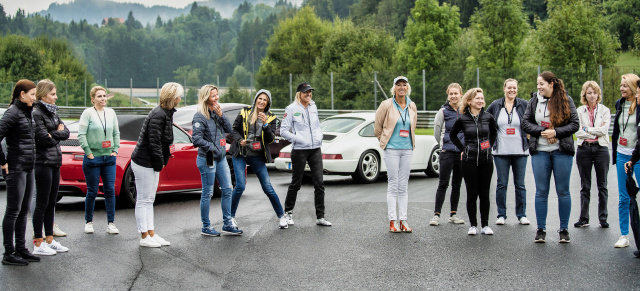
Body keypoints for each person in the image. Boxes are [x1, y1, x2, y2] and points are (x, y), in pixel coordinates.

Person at [522, 71, 579, 243]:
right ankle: (541, 230)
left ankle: (563, 229)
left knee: (563, 191)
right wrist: (544, 132)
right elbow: (525, 123)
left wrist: (556, 132)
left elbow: (575, 124)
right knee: (541, 192)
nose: (538, 87)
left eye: (541, 84)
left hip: (561, 151)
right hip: (540, 151)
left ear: (551, 84)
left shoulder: (566, 100)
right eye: (537, 84)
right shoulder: (533, 101)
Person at [130, 82, 183, 247]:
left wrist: (160, 162)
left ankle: (151, 233)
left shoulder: (166, 113)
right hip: (144, 161)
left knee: (150, 199)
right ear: (173, 98)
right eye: (178, 96)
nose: (180, 98)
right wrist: (160, 164)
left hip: (151, 162)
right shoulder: (159, 115)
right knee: (143, 199)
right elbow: (154, 143)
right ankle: (144, 236)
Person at [230, 89, 288, 229]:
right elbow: (234, 130)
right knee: (240, 186)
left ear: (268, 103)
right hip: (241, 153)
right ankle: (230, 217)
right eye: (260, 98)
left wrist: (266, 124)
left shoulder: (272, 117)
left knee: (267, 187)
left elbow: (271, 139)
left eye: (265, 100)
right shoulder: (245, 111)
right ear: (256, 99)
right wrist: (240, 140)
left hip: (257, 155)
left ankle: (281, 216)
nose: (262, 101)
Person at [192, 84, 242, 236]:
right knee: (207, 193)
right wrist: (212, 147)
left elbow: (229, 130)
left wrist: (222, 115)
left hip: (220, 159)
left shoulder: (216, 113)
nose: (217, 98)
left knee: (228, 189)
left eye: (217, 95)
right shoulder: (200, 116)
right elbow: (196, 139)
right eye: (213, 96)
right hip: (207, 158)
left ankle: (227, 223)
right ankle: (206, 226)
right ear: (206, 97)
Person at [280, 82, 332, 227]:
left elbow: (317, 126)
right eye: (305, 92)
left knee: (319, 183)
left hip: (315, 148)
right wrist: (298, 139)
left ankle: (320, 217)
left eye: (310, 92)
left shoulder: (313, 106)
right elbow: (283, 130)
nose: (308, 94)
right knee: (296, 183)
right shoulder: (291, 109)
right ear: (299, 94)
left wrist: (319, 136)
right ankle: (288, 213)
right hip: (299, 150)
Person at [0, 80, 40, 266]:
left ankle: (21, 249)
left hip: (28, 167)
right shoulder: (13, 113)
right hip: (16, 168)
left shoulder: (28, 112)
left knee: (24, 211)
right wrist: (3, 162)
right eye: (32, 94)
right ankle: (8, 253)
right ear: (21, 94)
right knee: (13, 211)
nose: (34, 97)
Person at [450, 88, 497, 236]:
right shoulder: (462, 118)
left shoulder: (488, 117)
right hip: (469, 161)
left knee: (484, 193)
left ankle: (485, 225)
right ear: (469, 101)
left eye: (482, 99)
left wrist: (489, 146)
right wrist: (463, 148)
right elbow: (453, 135)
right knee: (471, 193)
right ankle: (473, 225)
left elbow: (495, 133)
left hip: (486, 161)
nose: (481, 101)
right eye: (478, 99)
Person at [31, 79, 70, 256]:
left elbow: (66, 132)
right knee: (42, 202)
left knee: (51, 202)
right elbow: (42, 138)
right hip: (42, 162)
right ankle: (38, 243)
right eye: (53, 94)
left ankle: (49, 239)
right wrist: (56, 134)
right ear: (43, 95)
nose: (56, 97)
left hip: (55, 161)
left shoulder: (53, 113)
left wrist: (53, 133)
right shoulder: (37, 112)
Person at [374, 76, 417, 233]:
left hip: (407, 149)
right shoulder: (386, 105)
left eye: (404, 85)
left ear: (407, 88)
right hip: (391, 149)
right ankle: (393, 221)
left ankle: (403, 220)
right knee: (393, 184)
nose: (401, 87)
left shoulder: (412, 106)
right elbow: (377, 127)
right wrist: (384, 142)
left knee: (403, 185)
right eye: (398, 85)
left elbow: (413, 127)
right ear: (394, 88)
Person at [486, 79, 530, 226]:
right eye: (509, 87)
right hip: (501, 151)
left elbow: (531, 122)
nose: (512, 90)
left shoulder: (524, 104)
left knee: (520, 184)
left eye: (514, 88)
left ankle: (522, 214)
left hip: (520, 151)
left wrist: (530, 138)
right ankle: (501, 215)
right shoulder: (495, 105)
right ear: (504, 88)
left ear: (517, 89)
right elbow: (485, 121)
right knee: (501, 184)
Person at [78, 86, 120, 235]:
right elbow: (81, 135)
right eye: (100, 96)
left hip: (109, 157)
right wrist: (88, 153)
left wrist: (115, 150)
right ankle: (88, 221)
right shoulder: (88, 113)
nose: (103, 98)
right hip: (93, 158)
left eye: (104, 96)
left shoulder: (111, 113)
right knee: (92, 191)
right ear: (93, 99)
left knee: (110, 190)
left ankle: (111, 222)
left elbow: (116, 132)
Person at [574, 81, 611, 229]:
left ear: (598, 94)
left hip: (601, 149)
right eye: (589, 93)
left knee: (602, 186)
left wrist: (587, 128)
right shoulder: (579, 111)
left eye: (594, 92)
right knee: (585, 186)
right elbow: (578, 131)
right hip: (584, 149)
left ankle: (603, 218)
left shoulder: (605, 110)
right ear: (585, 95)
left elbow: (604, 131)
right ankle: (584, 218)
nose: (592, 95)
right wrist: (594, 129)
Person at [430, 83, 465, 226]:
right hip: (447, 153)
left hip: (461, 154)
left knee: (457, 184)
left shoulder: (465, 111)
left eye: (456, 93)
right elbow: (436, 132)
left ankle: (453, 215)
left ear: (461, 94)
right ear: (448, 95)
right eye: (451, 94)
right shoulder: (443, 111)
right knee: (443, 183)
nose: (453, 96)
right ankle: (436, 215)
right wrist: (443, 146)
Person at [613, 74, 640, 248]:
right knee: (624, 198)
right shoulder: (619, 104)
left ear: (634, 88)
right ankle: (624, 235)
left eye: (625, 86)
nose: (622, 89)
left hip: (637, 155)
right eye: (621, 85)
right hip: (621, 154)